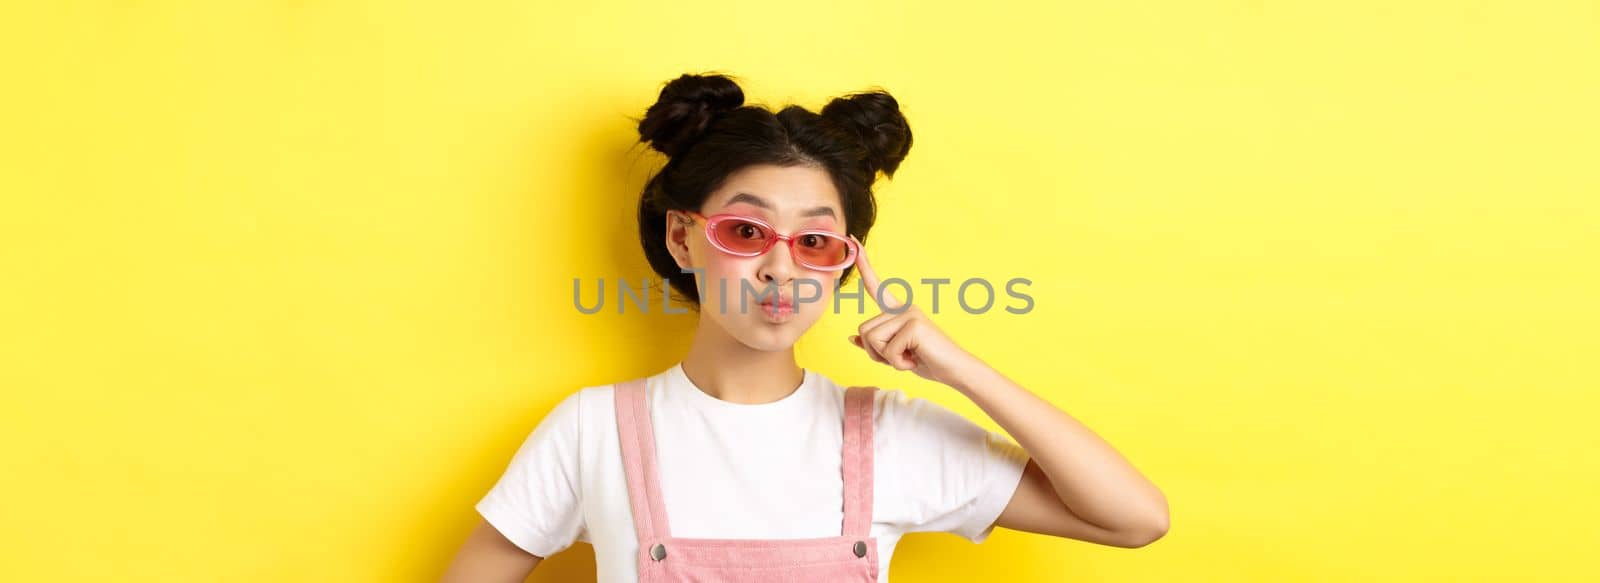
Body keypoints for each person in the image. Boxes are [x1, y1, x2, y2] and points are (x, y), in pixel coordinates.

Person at [441, 73, 1168, 582]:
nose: (781, 268)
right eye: (748, 230)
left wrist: (959, 368)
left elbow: (1136, 517)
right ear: (683, 238)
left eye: (815, 241)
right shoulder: (592, 430)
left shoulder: (890, 435)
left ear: (844, 261)